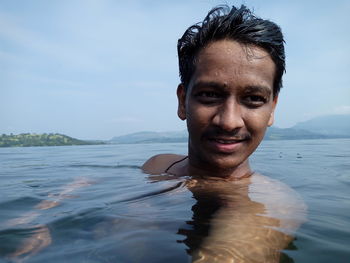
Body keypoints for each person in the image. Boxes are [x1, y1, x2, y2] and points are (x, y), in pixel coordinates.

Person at [143, 5, 306, 262]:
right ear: (182, 100)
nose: (229, 121)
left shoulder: (272, 203)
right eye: (209, 95)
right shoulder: (158, 165)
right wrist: (59, 200)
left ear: (272, 109)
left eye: (253, 98)